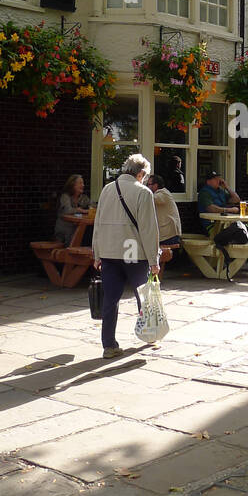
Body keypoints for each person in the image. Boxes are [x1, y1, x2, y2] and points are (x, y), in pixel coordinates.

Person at [92, 154, 161, 359]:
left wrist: (96, 253)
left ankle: (109, 345)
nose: (145, 179)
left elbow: (98, 223)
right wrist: (153, 260)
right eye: (145, 176)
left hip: (109, 252)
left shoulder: (107, 189)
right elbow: (149, 229)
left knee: (110, 299)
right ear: (140, 173)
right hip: (134, 253)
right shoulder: (143, 193)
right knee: (143, 296)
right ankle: (149, 335)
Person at [146, 173, 182, 247]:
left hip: (169, 235)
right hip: (166, 233)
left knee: (168, 257)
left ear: (155, 185)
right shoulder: (160, 193)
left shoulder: (163, 193)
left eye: (148, 184)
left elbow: (151, 199)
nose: (147, 187)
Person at [55, 173, 91, 244]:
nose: (83, 185)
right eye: (80, 183)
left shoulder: (83, 198)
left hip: (76, 228)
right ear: (73, 185)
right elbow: (67, 210)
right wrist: (80, 210)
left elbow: (92, 206)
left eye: (83, 183)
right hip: (63, 229)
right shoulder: (65, 196)